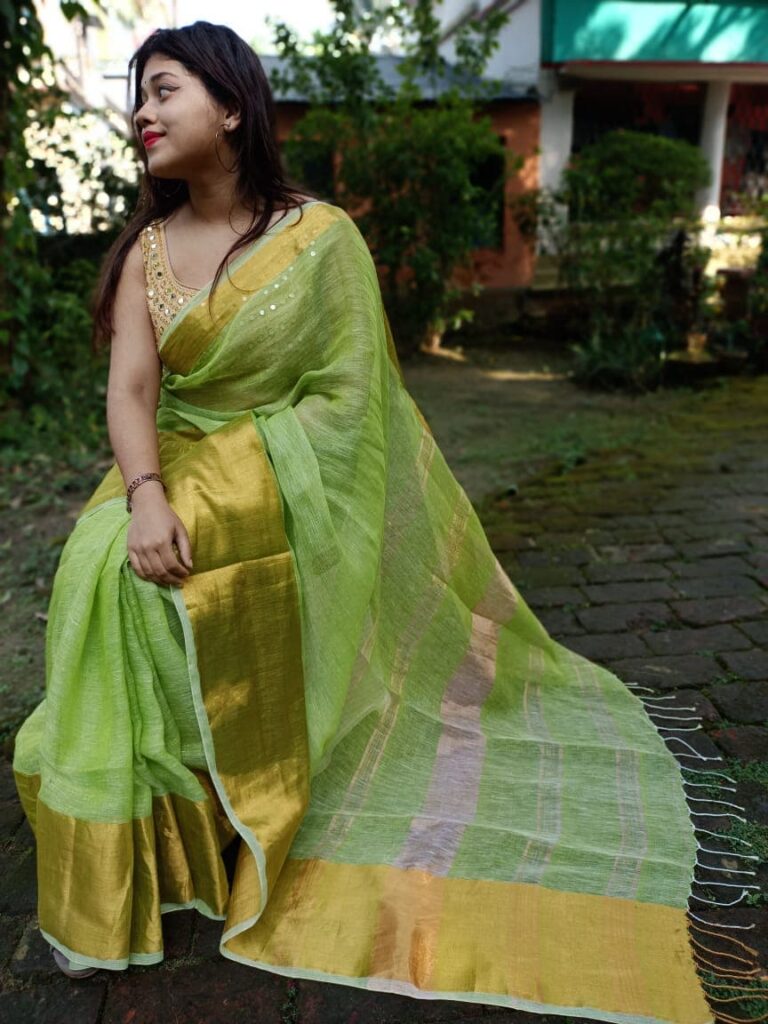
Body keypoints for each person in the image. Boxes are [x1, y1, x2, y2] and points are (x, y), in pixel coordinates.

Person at [10, 21, 758, 1023]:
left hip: (277, 474)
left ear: (231, 106)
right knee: (101, 562)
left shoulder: (319, 239)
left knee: (192, 553)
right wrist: (144, 491)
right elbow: (132, 391)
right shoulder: (146, 249)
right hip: (170, 464)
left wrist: (240, 472)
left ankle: (261, 775)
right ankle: (157, 835)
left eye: (165, 90)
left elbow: (352, 404)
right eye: (135, 97)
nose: (141, 113)